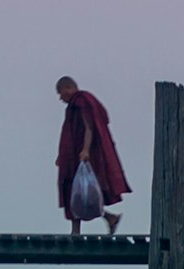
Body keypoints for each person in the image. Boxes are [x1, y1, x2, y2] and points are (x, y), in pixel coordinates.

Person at [53, 76, 129, 235]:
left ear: (68, 88)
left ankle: (81, 229)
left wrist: (86, 150)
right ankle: (105, 219)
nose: (61, 98)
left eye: (61, 93)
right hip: (73, 155)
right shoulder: (73, 106)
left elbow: (89, 127)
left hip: (82, 155)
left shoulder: (82, 101)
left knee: (81, 192)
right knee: (74, 192)